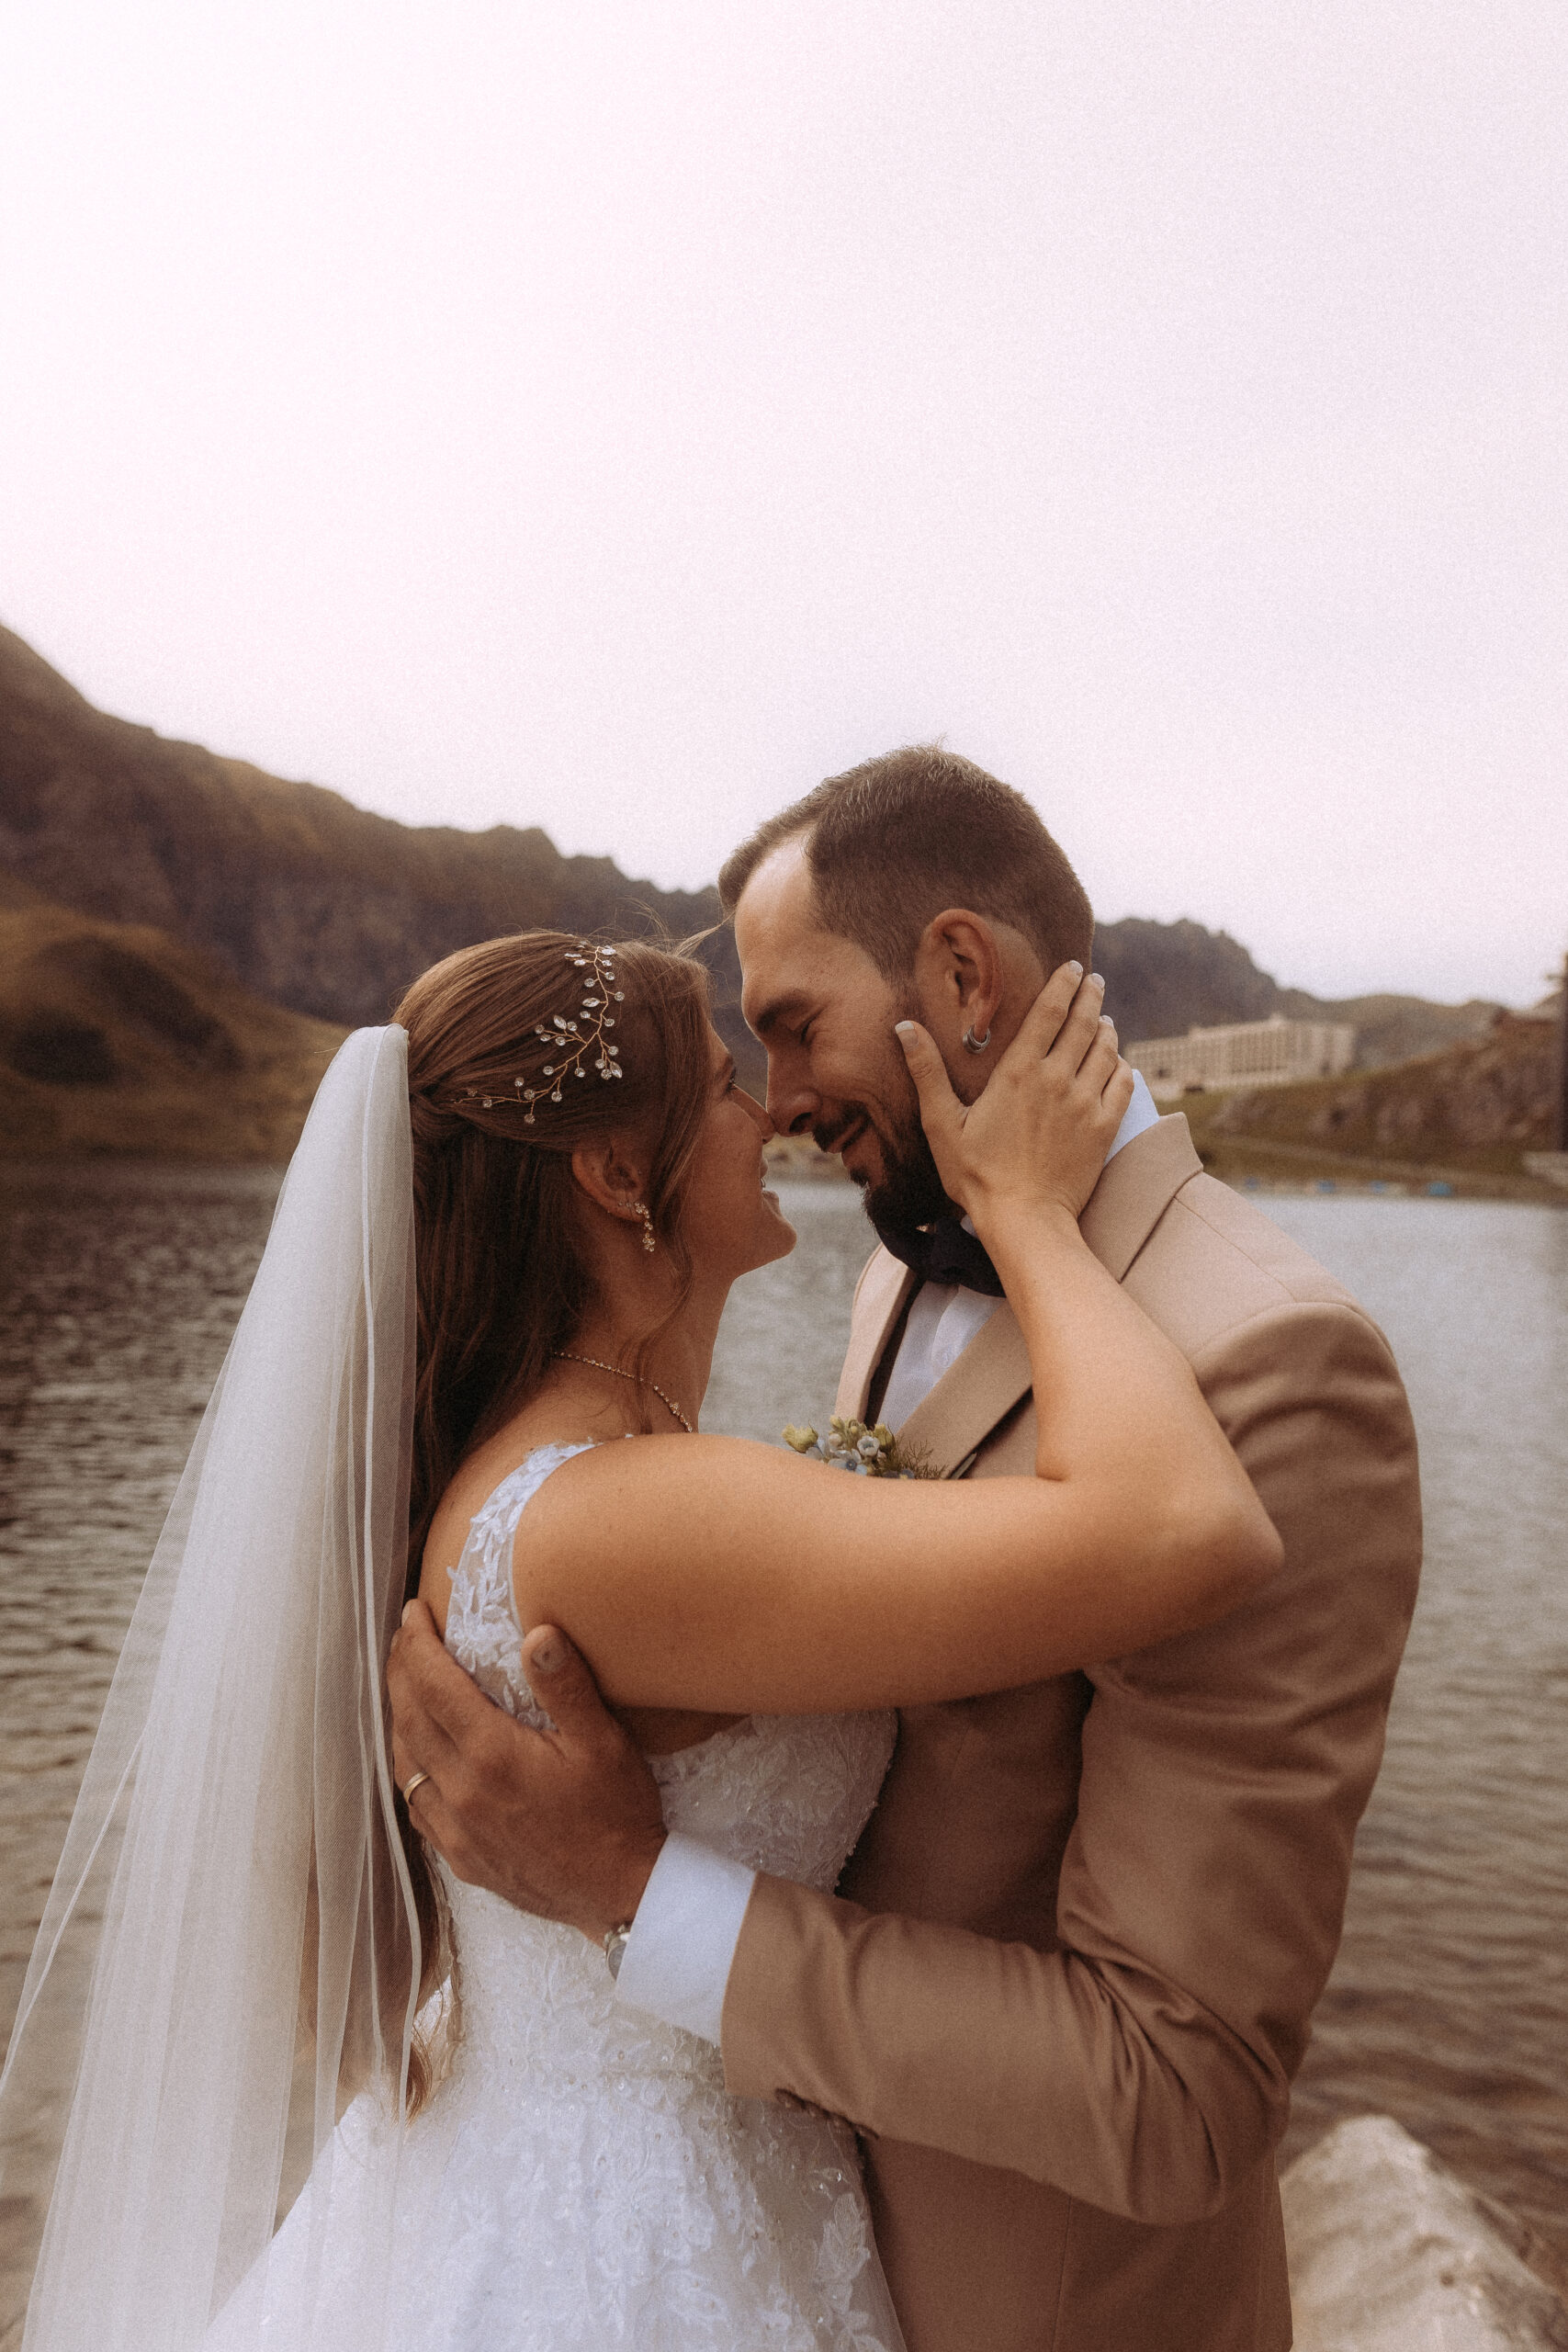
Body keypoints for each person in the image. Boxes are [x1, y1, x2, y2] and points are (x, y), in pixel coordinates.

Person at [0, 921, 1277, 2352]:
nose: (769, 1111)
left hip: (556, 2163)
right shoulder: (621, 1522)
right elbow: (1187, 1529)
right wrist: (1031, 1212)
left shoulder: (539, 1474)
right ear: (616, 1175)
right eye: (727, 1082)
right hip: (630, 2245)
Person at [390, 748, 1425, 2352]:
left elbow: (1177, 2092)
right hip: (731, 2254)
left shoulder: (1273, 1364)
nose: (780, 1099)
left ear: (959, 968)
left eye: (792, 1025)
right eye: (742, 1056)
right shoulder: (894, 1279)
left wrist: (630, 1893)